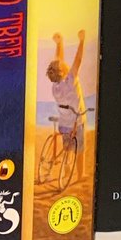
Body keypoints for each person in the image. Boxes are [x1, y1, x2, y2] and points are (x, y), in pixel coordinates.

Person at [47, 29, 87, 177]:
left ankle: (66, 170)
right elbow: (78, 59)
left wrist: (59, 43)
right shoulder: (70, 80)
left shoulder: (55, 87)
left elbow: (58, 62)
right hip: (77, 121)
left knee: (67, 148)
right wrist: (82, 41)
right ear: (63, 73)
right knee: (80, 149)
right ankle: (80, 174)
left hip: (64, 123)